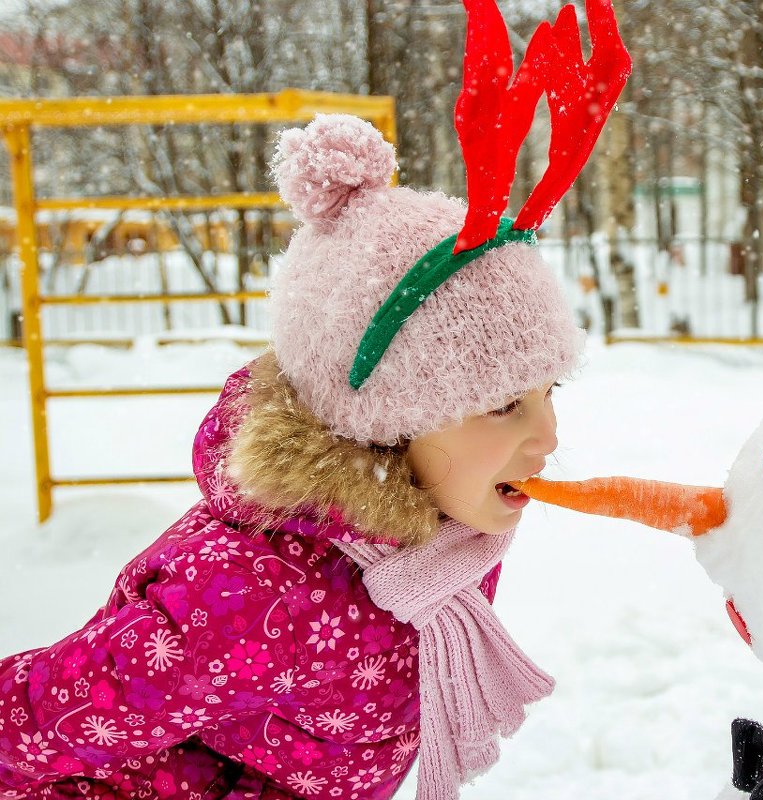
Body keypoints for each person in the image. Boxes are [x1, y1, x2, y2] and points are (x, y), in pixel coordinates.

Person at [0, 3, 631, 796]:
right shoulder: (249, 598)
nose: (550, 435)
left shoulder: (442, 529)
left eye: (551, 392)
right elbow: (34, 715)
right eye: (505, 404)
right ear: (384, 425)